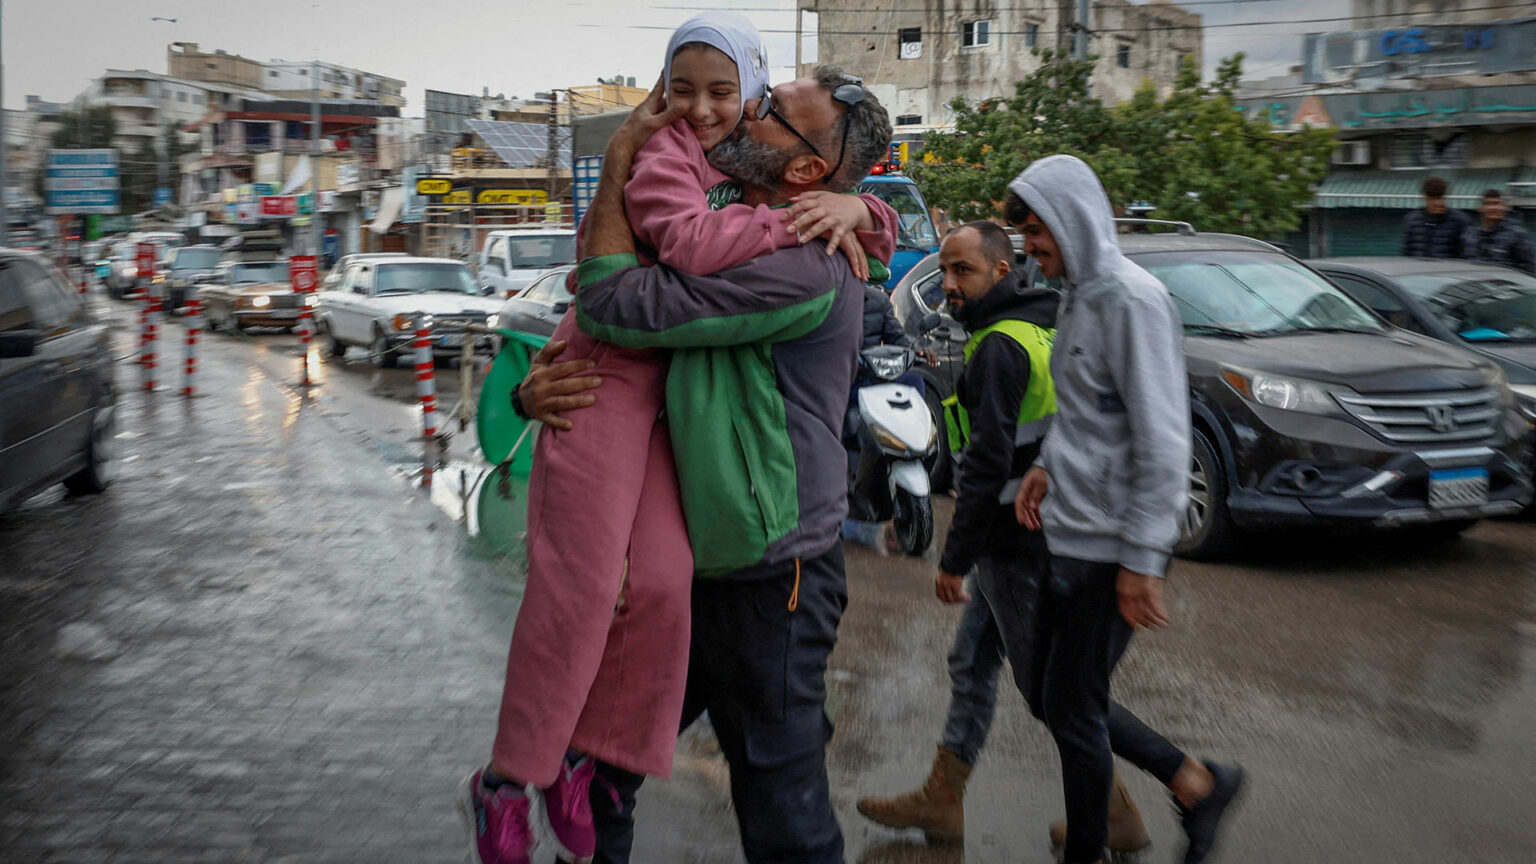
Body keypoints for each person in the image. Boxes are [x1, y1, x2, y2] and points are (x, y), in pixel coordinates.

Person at [459, 16, 896, 864]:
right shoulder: (731, 194)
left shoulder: (806, 255)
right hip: (698, 557)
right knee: (607, 755)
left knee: (781, 804)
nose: (741, 114)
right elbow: (612, 342)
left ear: (806, 168)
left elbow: (617, 306)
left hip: (774, 577)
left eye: (765, 107)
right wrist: (533, 387)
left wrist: (620, 160)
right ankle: (540, 797)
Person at [854, 222, 1151, 857]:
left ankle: (1156, 789)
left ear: (1001, 271)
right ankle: (943, 797)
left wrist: (953, 559)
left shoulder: (1000, 348)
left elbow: (986, 463)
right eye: (946, 271)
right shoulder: (1046, 326)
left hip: (1014, 541)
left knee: (1054, 696)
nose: (950, 285)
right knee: (975, 665)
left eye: (964, 270)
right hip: (1032, 532)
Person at [1008, 155, 1244, 864]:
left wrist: (1144, 560)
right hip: (1070, 530)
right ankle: (1197, 783)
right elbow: (1085, 412)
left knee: (1073, 709)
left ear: (1072, 221)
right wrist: (1047, 466)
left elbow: (1164, 436)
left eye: (1036, 230)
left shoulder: (1134, 301)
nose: (1028, 245)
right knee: (1048, 696)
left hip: (1114, 543)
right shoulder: (1078, 294)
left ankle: (1093, 847)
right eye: (1021, 231)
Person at [1464, 188, 1535, 274]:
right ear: (1480, 208)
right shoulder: (1470, 234)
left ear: (1505, 207)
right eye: (1488, 204)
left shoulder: (1518, 235)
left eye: (1497, 203)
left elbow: (1528, 268)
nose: (1493, 208)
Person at [1401, 176, 1470, 259]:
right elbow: (1406, 250)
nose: (1439, 203)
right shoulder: (1412, 219)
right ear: (1425, 199)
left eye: (1441, 198)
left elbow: (1464, 252)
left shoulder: (1459, 220)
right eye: (1434, 199)